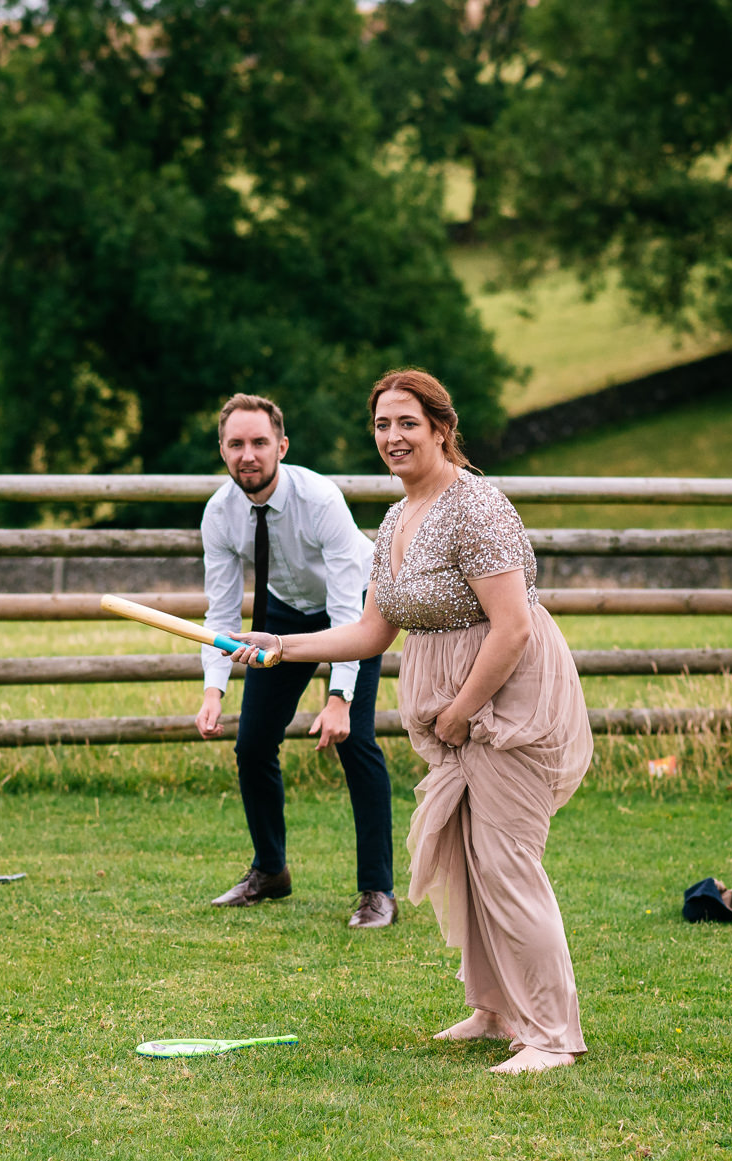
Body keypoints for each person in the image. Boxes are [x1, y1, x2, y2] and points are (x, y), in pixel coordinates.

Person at [227, 369, 593, 1072]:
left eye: (407, 424)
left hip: (505, 701)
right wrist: (281, 646)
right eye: (382, 425)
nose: (393, 438)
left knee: (509, 862)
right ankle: (495, 1010)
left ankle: (551, 1033)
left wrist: (460, 711)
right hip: (452, 712)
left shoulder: (475, 507)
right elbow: (370, 633)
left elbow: (512, 627)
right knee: (468, 857)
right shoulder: (397, 516)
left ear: (442, 429)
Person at [197, 393, 397, 927]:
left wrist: (338, 699)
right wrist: (213, 691)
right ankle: (270, 872)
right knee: (252, 743)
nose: (248, 455)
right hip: (282, 617)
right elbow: (220, 611)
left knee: (354, 738)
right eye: (236, 444)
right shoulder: (219, 513)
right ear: (222, 450)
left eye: (260, 442)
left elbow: (345, 611)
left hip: (355, 611)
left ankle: (377, 891)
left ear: (281, 446)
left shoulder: (321, 500)